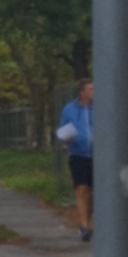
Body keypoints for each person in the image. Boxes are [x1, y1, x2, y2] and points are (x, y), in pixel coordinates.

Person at [58, 79, 96, 241]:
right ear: (82, 92)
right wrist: (66, 138)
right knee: (81, 188)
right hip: (78, 154)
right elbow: (63, 130)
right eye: (90, 89)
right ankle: (85, 226)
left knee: (93, 191)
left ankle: (87, 218)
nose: (93, 91)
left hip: (97, 155)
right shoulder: (69, 109)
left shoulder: (100, 107)